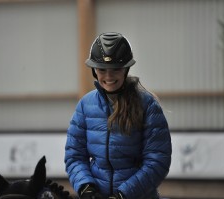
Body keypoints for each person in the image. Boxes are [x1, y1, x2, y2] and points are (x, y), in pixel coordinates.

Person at [64, 32, 172, 199]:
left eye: (115, 69)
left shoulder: (148, 105)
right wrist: (86, 188)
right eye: (102, 69)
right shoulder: (85, 105)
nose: (108, 76)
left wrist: (124, 194)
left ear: (126, 69)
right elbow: (75, 155)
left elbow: (158, 160)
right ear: (94, 70)